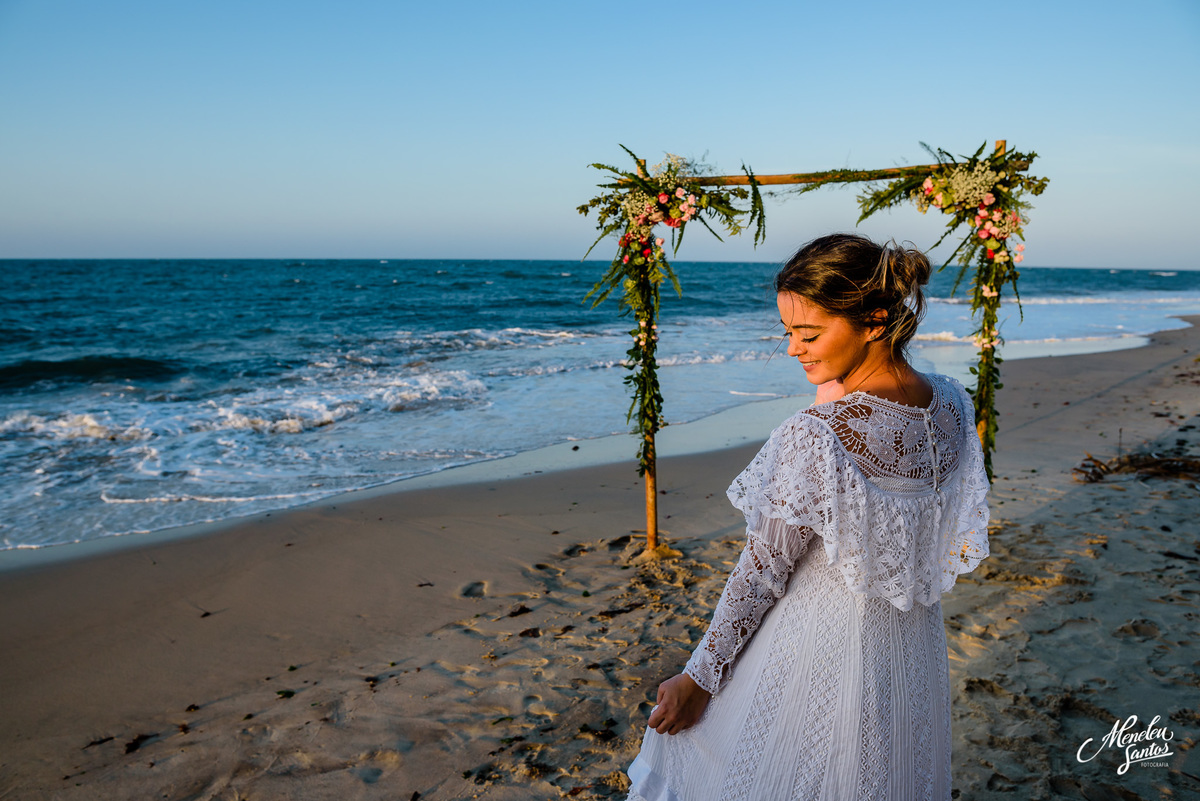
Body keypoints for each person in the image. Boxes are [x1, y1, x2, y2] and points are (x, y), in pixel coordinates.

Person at [624, 233, 991, 801]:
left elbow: (763, 569)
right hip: (909, 653)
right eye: (789, 332)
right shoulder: (951, 402)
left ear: (874, 320)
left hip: (817, 650)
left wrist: (700, 676)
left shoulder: (816, 435)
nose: (794, 348)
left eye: (810, 333)